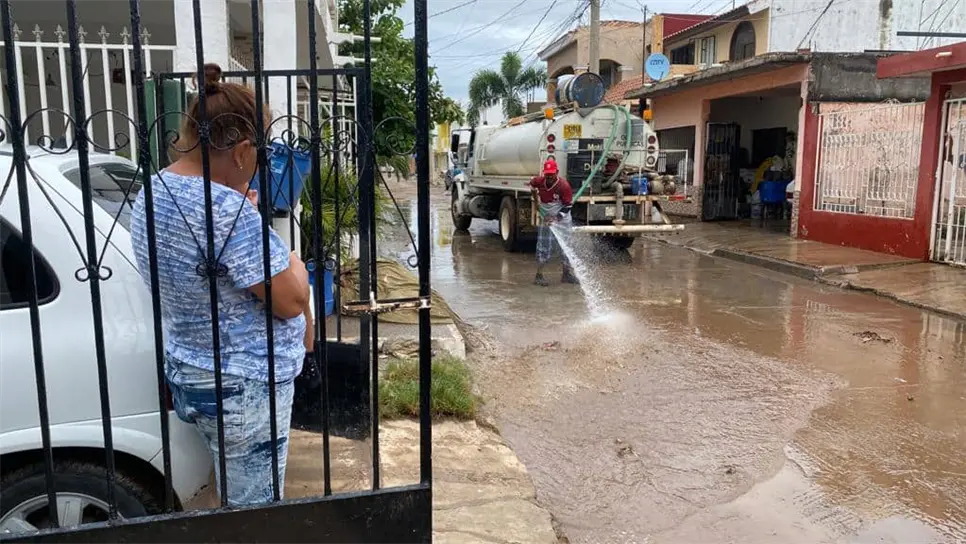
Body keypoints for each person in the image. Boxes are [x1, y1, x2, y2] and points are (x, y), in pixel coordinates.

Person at [130, 64, 313, 506]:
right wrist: (294, 261)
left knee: (230, 496)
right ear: (241, 150)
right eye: (260, 154)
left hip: (191, 367)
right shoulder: (225, 211)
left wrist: (242, 214)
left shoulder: (154, 190)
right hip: (242, 386)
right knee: (255, 513)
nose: (259, 164)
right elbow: (292, 299)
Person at [530, 158, 579, 286]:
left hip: (562, 219)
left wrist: (556, 218)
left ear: (556, 172)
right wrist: (537, 202)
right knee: (543, 245)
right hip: (545, 218)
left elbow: (568, 206)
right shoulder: (539, 182)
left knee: (566, 246)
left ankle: (566, 274)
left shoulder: (563, 186)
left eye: (551, 174)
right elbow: (532, 185)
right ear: (544, 173)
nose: (549, 177)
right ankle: (539, 275)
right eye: (547, 174)